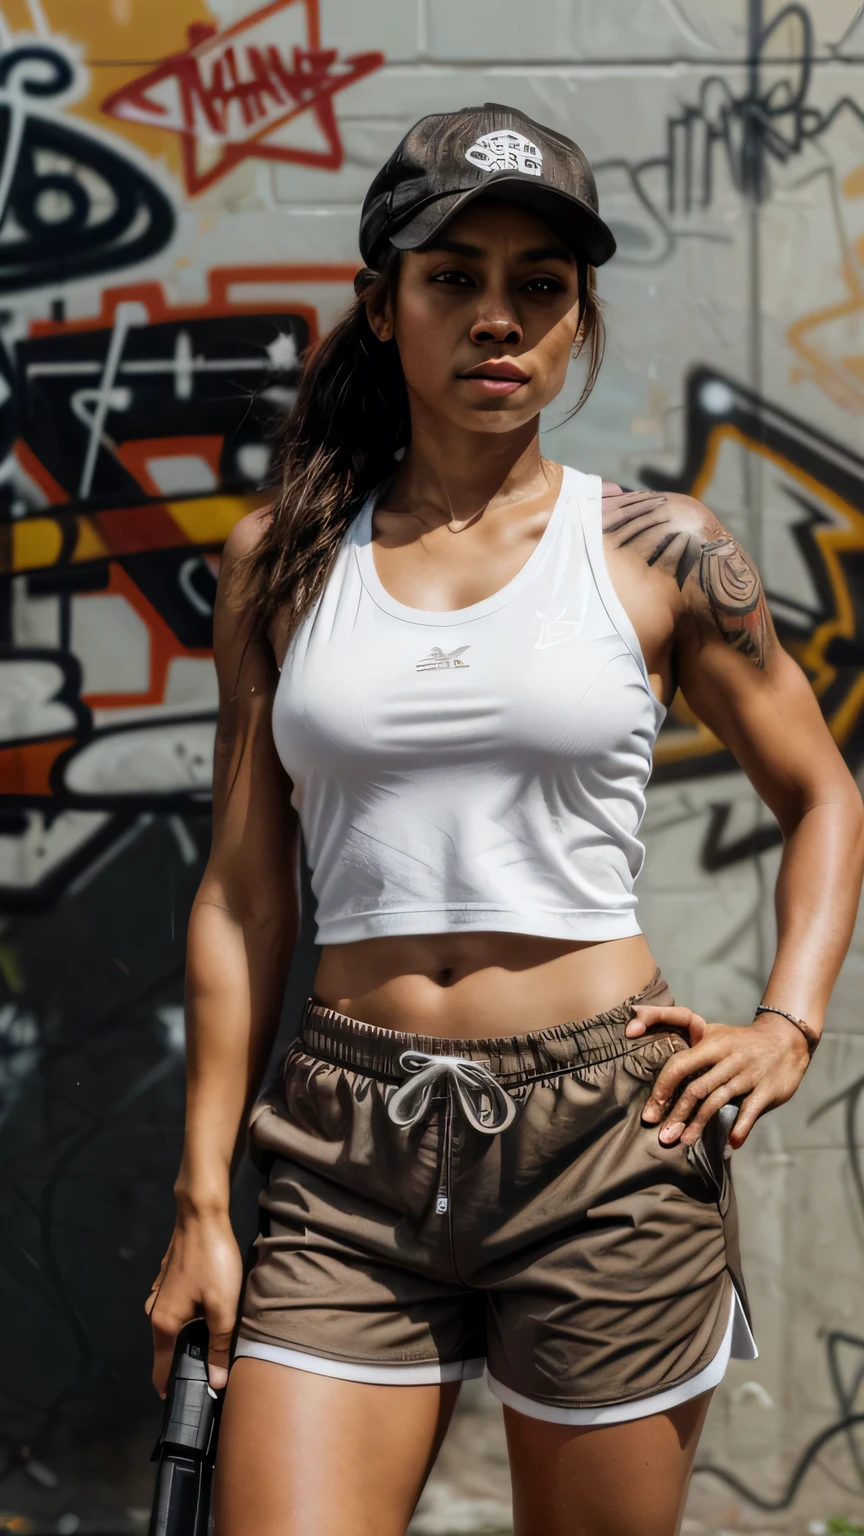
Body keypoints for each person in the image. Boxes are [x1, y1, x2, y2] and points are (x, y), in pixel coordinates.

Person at [144, 104, 864, 1536]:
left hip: (607, 1141)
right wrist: (202, 1202)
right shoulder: (280, 557)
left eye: (540, 285)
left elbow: (824, 793)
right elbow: (241, 895)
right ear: (381, 301)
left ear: (578, 318)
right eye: (454, 276)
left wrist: (787, 1023)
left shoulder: (660, 551)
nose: (498, 317)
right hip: (344, 1153)